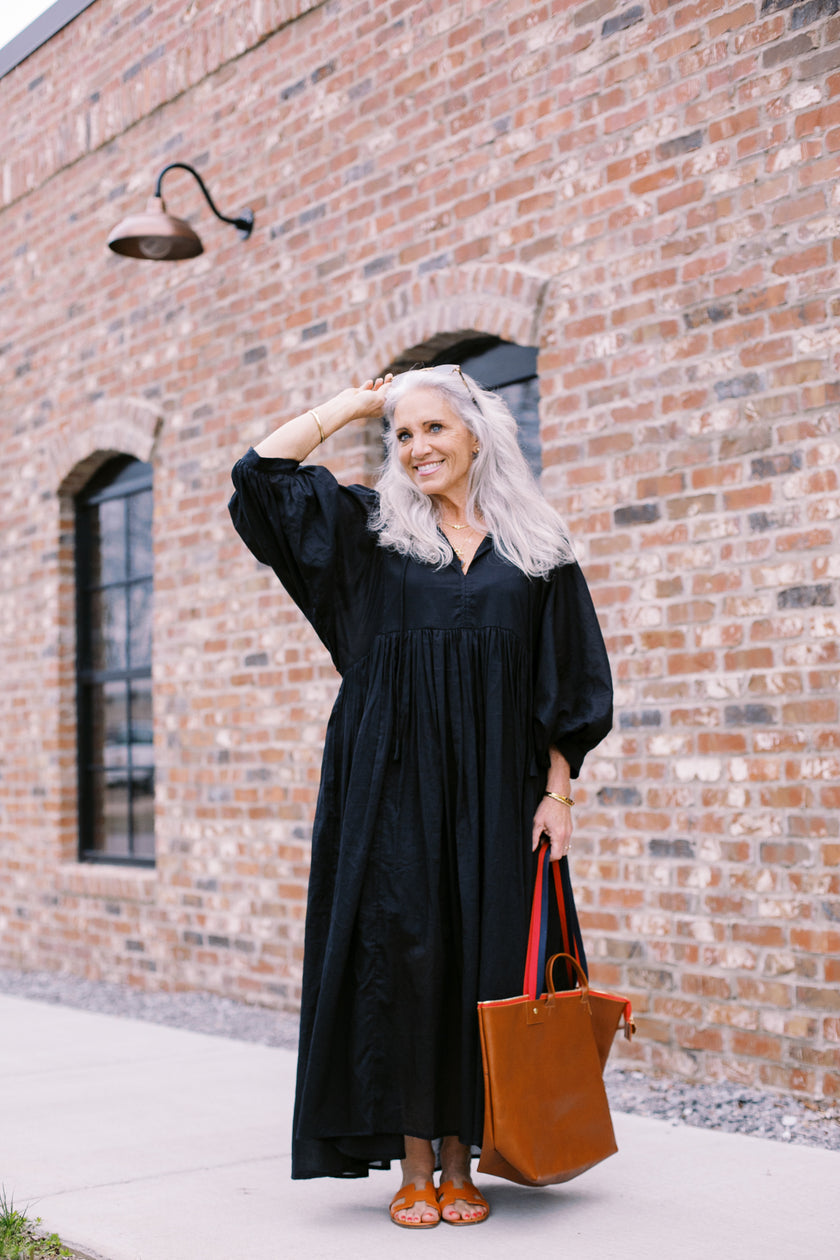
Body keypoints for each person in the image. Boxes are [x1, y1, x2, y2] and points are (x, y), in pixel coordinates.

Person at [228, 365, 613, 1227]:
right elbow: (260, 476)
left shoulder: (537, 549)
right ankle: (410, 1161)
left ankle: (463, 1156)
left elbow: (571, 678)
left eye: (434, 429)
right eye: (403, 436)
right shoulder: (370, 532)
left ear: (478, 436)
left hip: (499, 790)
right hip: (387, 785)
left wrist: (560, 795)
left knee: (485, 958)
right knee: (400, 957)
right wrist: (363, 403)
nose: (417, 448)